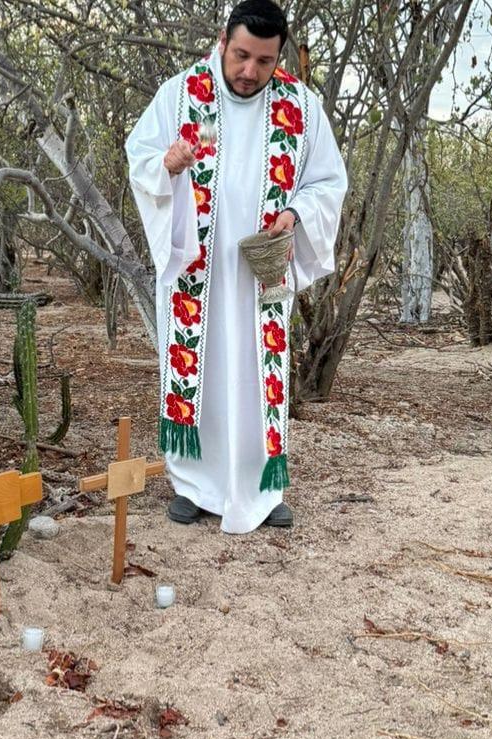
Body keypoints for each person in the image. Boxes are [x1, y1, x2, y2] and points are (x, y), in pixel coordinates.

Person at [125, 0, 347, 534]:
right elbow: (140, 157)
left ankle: (262, 488)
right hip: (197, 273)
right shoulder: (181, 94)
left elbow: (328, 183)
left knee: (255, 373)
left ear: (280, 58)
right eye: (242, 55)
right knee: (202, 367)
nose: (250, 72)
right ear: (223, 40)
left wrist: (295, 213)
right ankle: (194, 485)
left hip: (259, 271)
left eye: (264, 62)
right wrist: (167, 166)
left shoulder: (301, 107)